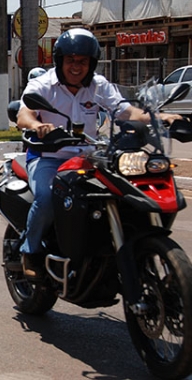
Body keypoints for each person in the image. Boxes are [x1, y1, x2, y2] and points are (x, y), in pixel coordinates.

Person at [16, 28, 182, 279]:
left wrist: (161, 118)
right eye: (70, 60)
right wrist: (37, 125)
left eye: (82, 61)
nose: (76, 66)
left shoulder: (98, 86)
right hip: (48, 156)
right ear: (60, 60)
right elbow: (24, 113)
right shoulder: (43, 84)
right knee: (48, 198)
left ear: (91, 63)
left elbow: (127, 112)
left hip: (88, 157)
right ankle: (30, 250)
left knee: (124, 192)